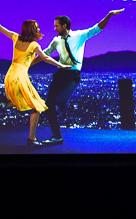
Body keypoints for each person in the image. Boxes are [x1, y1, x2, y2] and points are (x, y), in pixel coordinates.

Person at [0, 5, 74, 146]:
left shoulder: (15, 37)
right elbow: (45, 58)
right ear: (31, 29)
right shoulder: (33, 45)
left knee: (25, 102)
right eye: (36, 27)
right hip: (21, 76)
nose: (39, 29)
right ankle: (32, 139)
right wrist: (62, 65)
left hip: (10, 74)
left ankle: (5, 104)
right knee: (36, 107)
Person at [40, 8, 125, 144]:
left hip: (73, 75)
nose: (54, 28)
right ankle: (57, 136)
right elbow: (45, 54)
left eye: (56, 25)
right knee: (49, 104)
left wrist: (109, 15)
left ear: (64, 26)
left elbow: (97, 28)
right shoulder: (56, 40)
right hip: (60, 74)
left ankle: (63, 106)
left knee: (60, 101)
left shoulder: (79, 36)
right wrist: (27, 64)